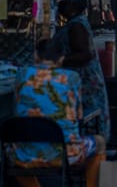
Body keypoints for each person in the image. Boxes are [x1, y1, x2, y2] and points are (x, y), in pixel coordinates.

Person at [13, 39, 106, 187]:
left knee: (12, 159)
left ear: (36, 56)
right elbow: (79, 116)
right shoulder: (71, 77)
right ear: (61, 58)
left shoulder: (22, 75)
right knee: (100, 143)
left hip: (24, 154)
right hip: (64, 154)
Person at [52, 0, 111, 141]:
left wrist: (62, 60)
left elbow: (85, 54)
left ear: (72, 7)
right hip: (84, 80)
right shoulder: (77, 22)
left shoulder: (76, 25)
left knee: (87, 118)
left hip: (85, 83)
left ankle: (91, 150)